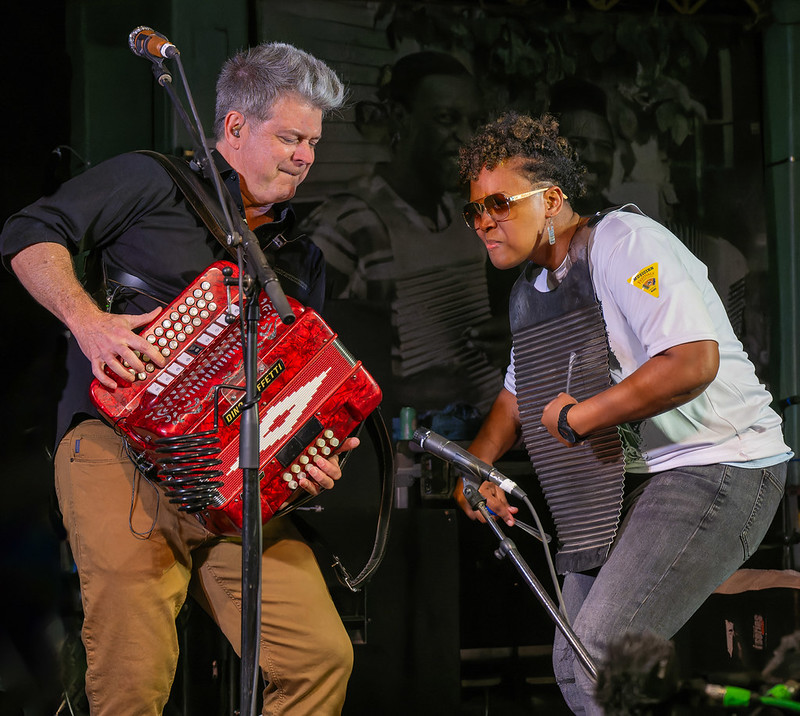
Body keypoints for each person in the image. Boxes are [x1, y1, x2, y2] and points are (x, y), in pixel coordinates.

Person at [0, 42, 357, 715]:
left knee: (317, 656)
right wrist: (89, 321)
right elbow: (28, 232)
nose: (305, 155)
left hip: (232, 481)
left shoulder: (298, 257)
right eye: (289, 136)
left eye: (312, 140)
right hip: (117, 453)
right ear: (234, 128)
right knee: (133, 676)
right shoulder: (151, 181)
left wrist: (308, 454)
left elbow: (291, 385)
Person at [453, 112, 790, 714]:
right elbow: (514, 397)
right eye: (474, 208)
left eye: (499, 203)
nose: (484, 222)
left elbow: (692, 361)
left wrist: (583, 417)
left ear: (551, 199)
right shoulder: (533, 292)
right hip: (649, 482)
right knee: (573, 663)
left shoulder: (624, 243)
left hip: (724, 467)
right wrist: (475, 463)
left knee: (602, 655)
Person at [300, 51, 506, 427]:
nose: (465, 138)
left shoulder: (470, 216)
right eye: (446, 119)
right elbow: (302, 370)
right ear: (399, 118)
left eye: (473, 122)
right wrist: (401, 389)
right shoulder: (349, 227)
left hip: (482, 440)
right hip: (405, 461)